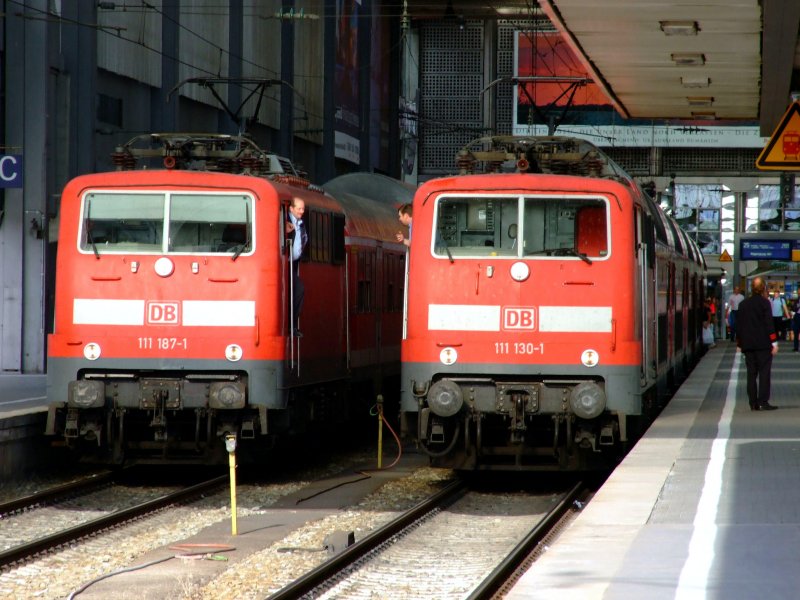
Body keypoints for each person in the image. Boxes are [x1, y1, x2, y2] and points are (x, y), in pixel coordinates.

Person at [737, 277, 779, 411]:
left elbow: (740, 326)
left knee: (751, 374)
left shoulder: (743, 304)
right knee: (764, 373)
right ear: (763, 288)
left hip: (748, 345)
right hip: (763, 345)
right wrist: (774, 342)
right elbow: (769, 324)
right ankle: (763, 402)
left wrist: (739, 343)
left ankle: (753, 403)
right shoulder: (765, 303)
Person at [285, 197, 307, 336]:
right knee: (298, 289)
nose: (301, 211)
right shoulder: (285, 219)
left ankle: (292, 325)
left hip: (294, 262)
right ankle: (290, 325)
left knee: (297, 290)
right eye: (299, 208)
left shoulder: (301, 223)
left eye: (303, 208)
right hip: (284, 262)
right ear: (291, 208)